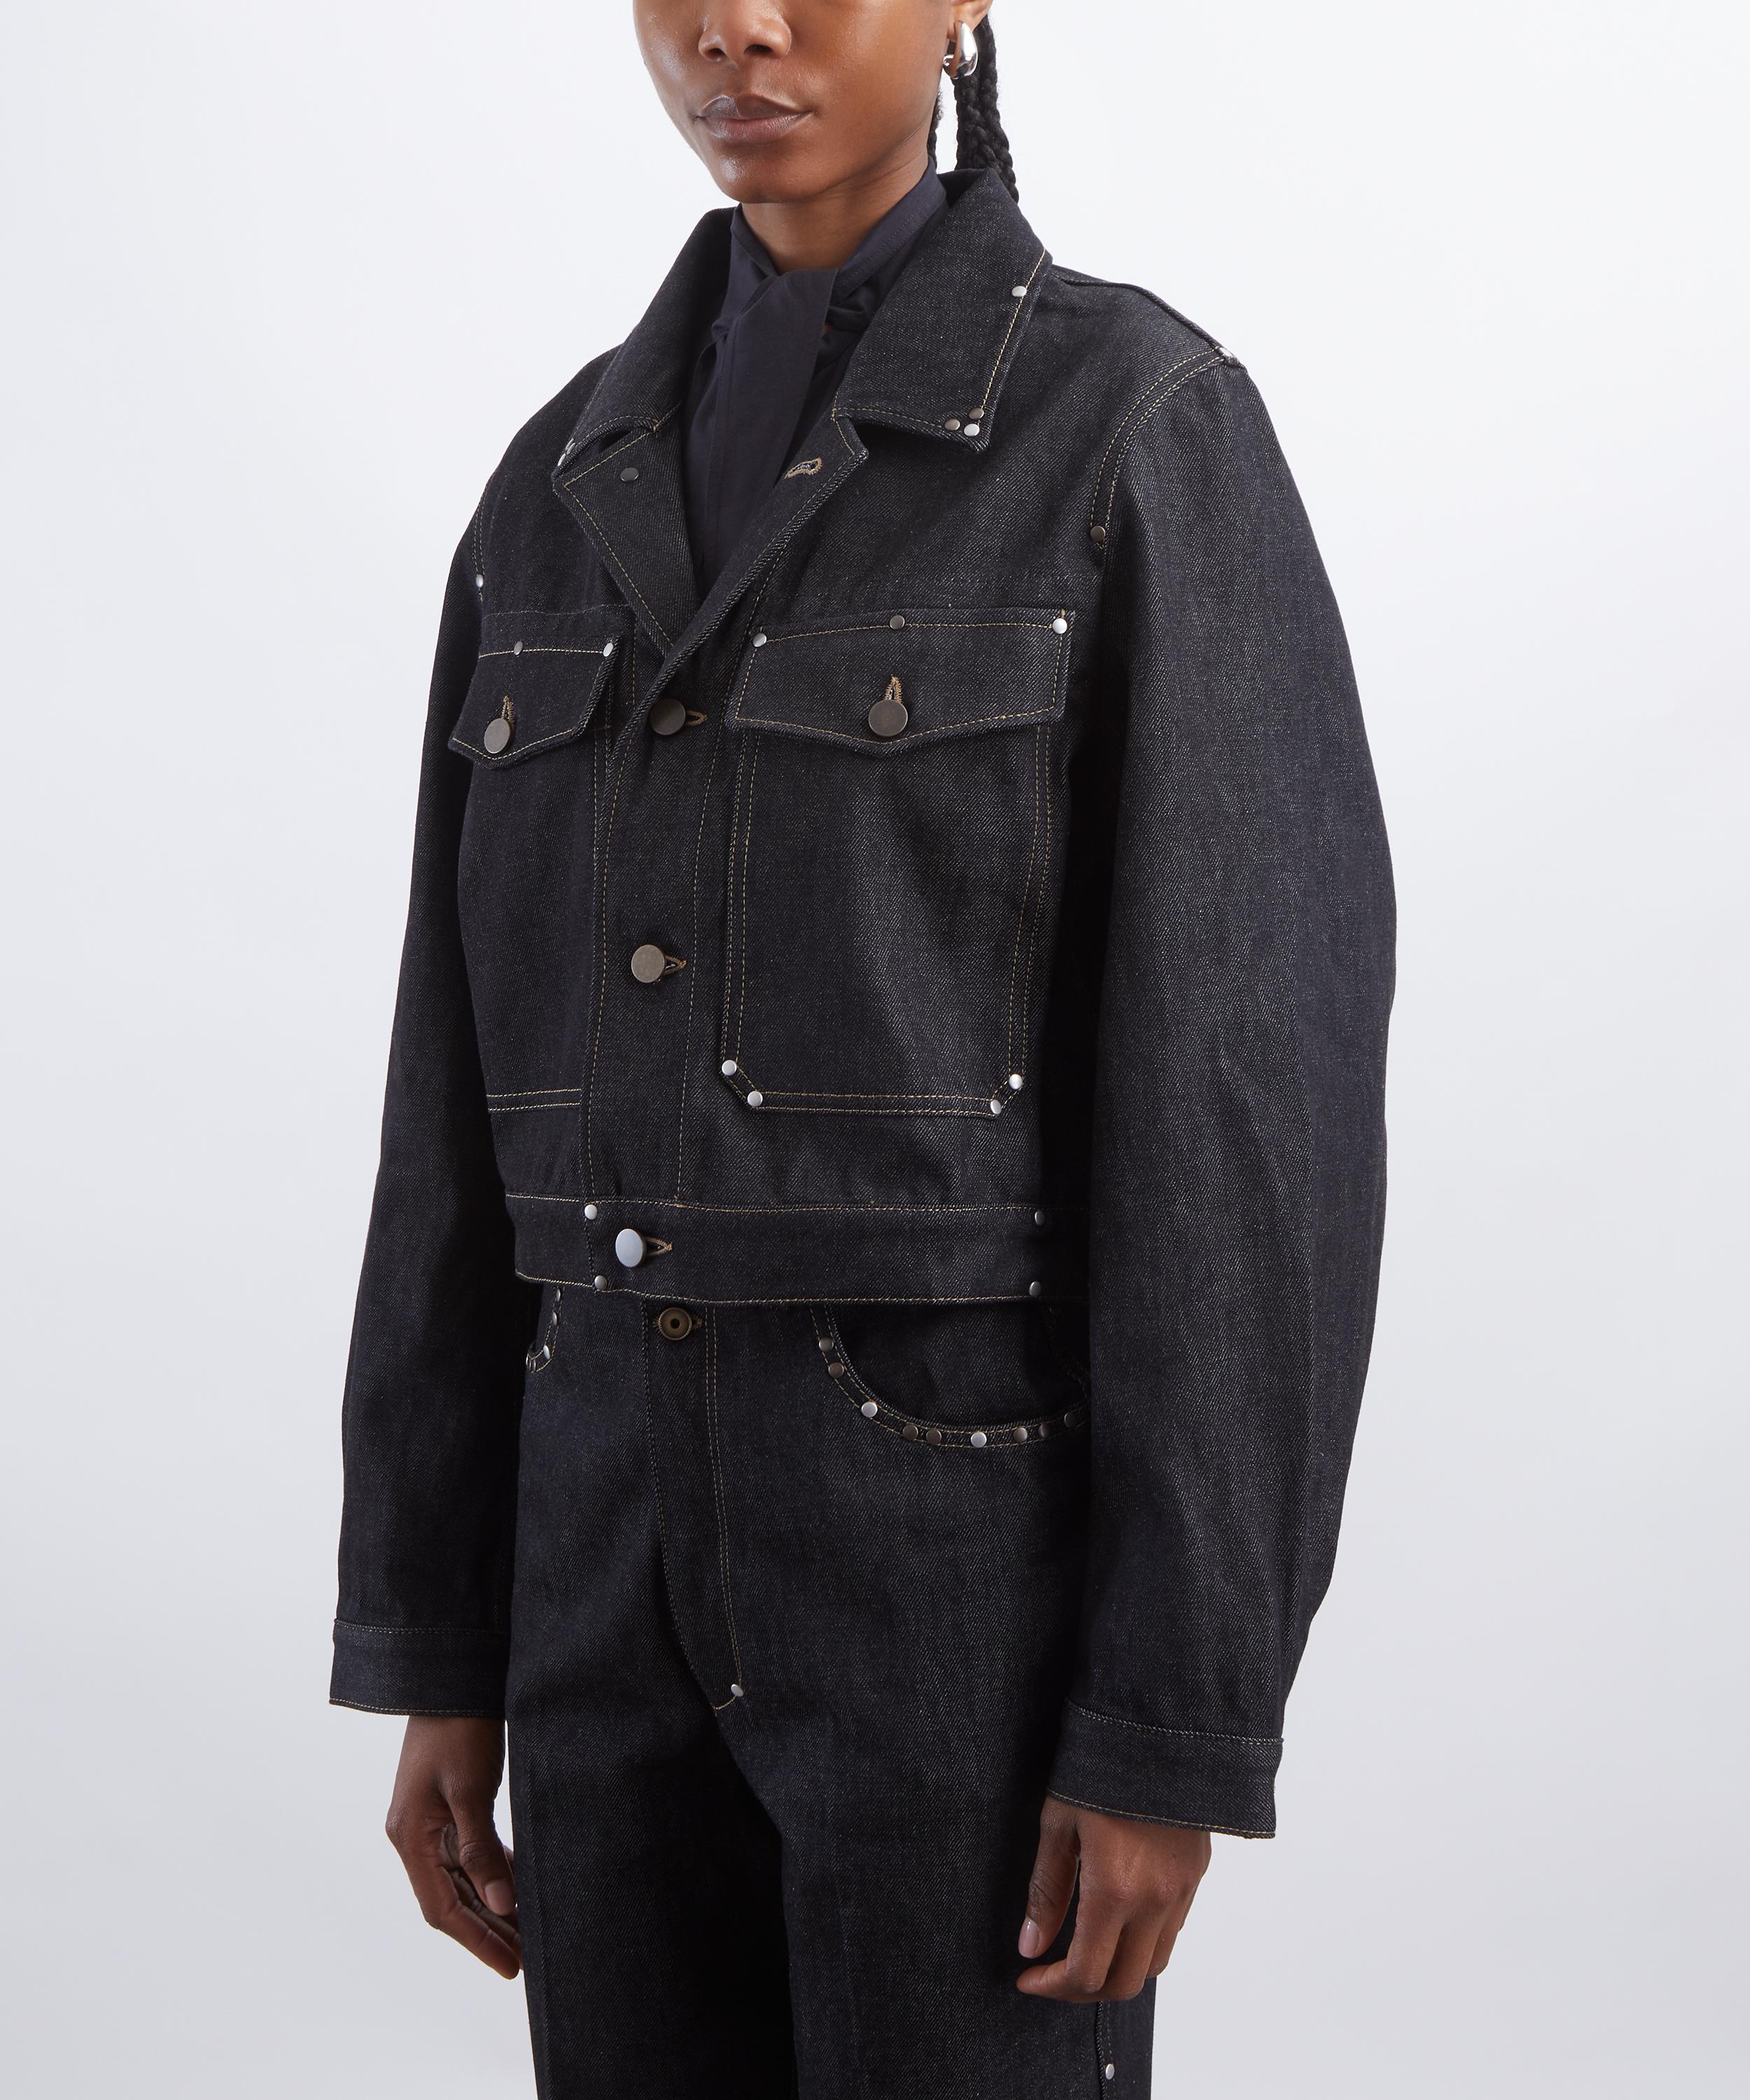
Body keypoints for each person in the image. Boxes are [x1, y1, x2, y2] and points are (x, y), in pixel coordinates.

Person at [330, 5, 1396, 2094]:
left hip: (957, 1585)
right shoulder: (553, 484)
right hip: (591, 1560)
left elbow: (1241, 1117)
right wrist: (439, 1637)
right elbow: (446, 1100)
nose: (737, 24)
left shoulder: (1130, 430)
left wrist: (1172, 1717)